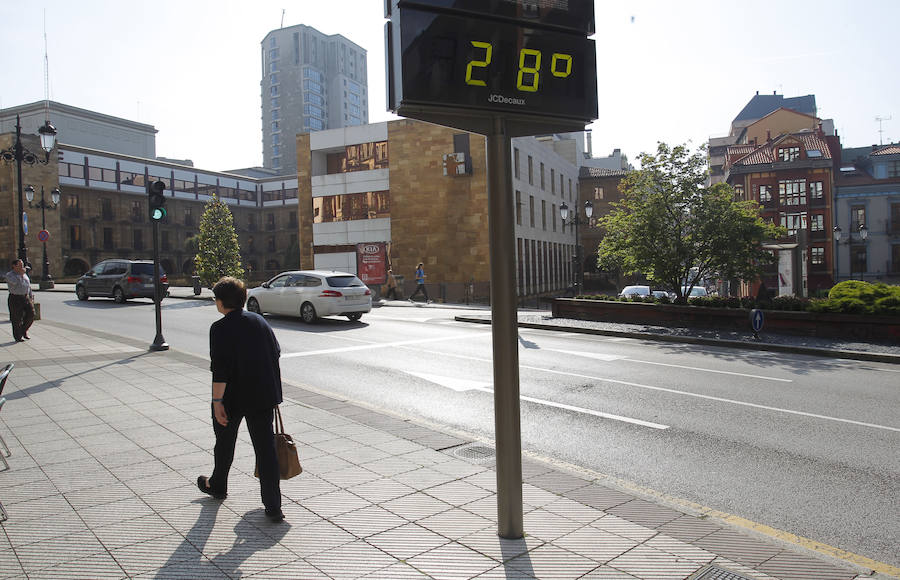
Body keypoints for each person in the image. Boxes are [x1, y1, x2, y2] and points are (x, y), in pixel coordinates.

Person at [197, 276, 285, 522]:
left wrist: (217, 403)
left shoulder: (220, 328)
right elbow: (275, 353)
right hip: (262, 394)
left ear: (221, 302)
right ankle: (273, 506)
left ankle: (218, 485)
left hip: (232, 397)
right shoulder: (259, 321)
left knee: (224, 442)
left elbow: (220, 369)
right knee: (265, 450)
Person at [6, 259, 35, 342]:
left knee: (31, 314)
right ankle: (18, 336)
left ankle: (23, 330)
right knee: (17, 318)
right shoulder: (10, 275)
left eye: (22, 265)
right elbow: (14, 283)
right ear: (14, 266)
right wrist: (20, 275)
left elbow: (28, 285)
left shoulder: (24, 274)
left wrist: (31, 296)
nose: (22, 267)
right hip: (15, 298)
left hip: (25, 297)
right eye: (20, 265)